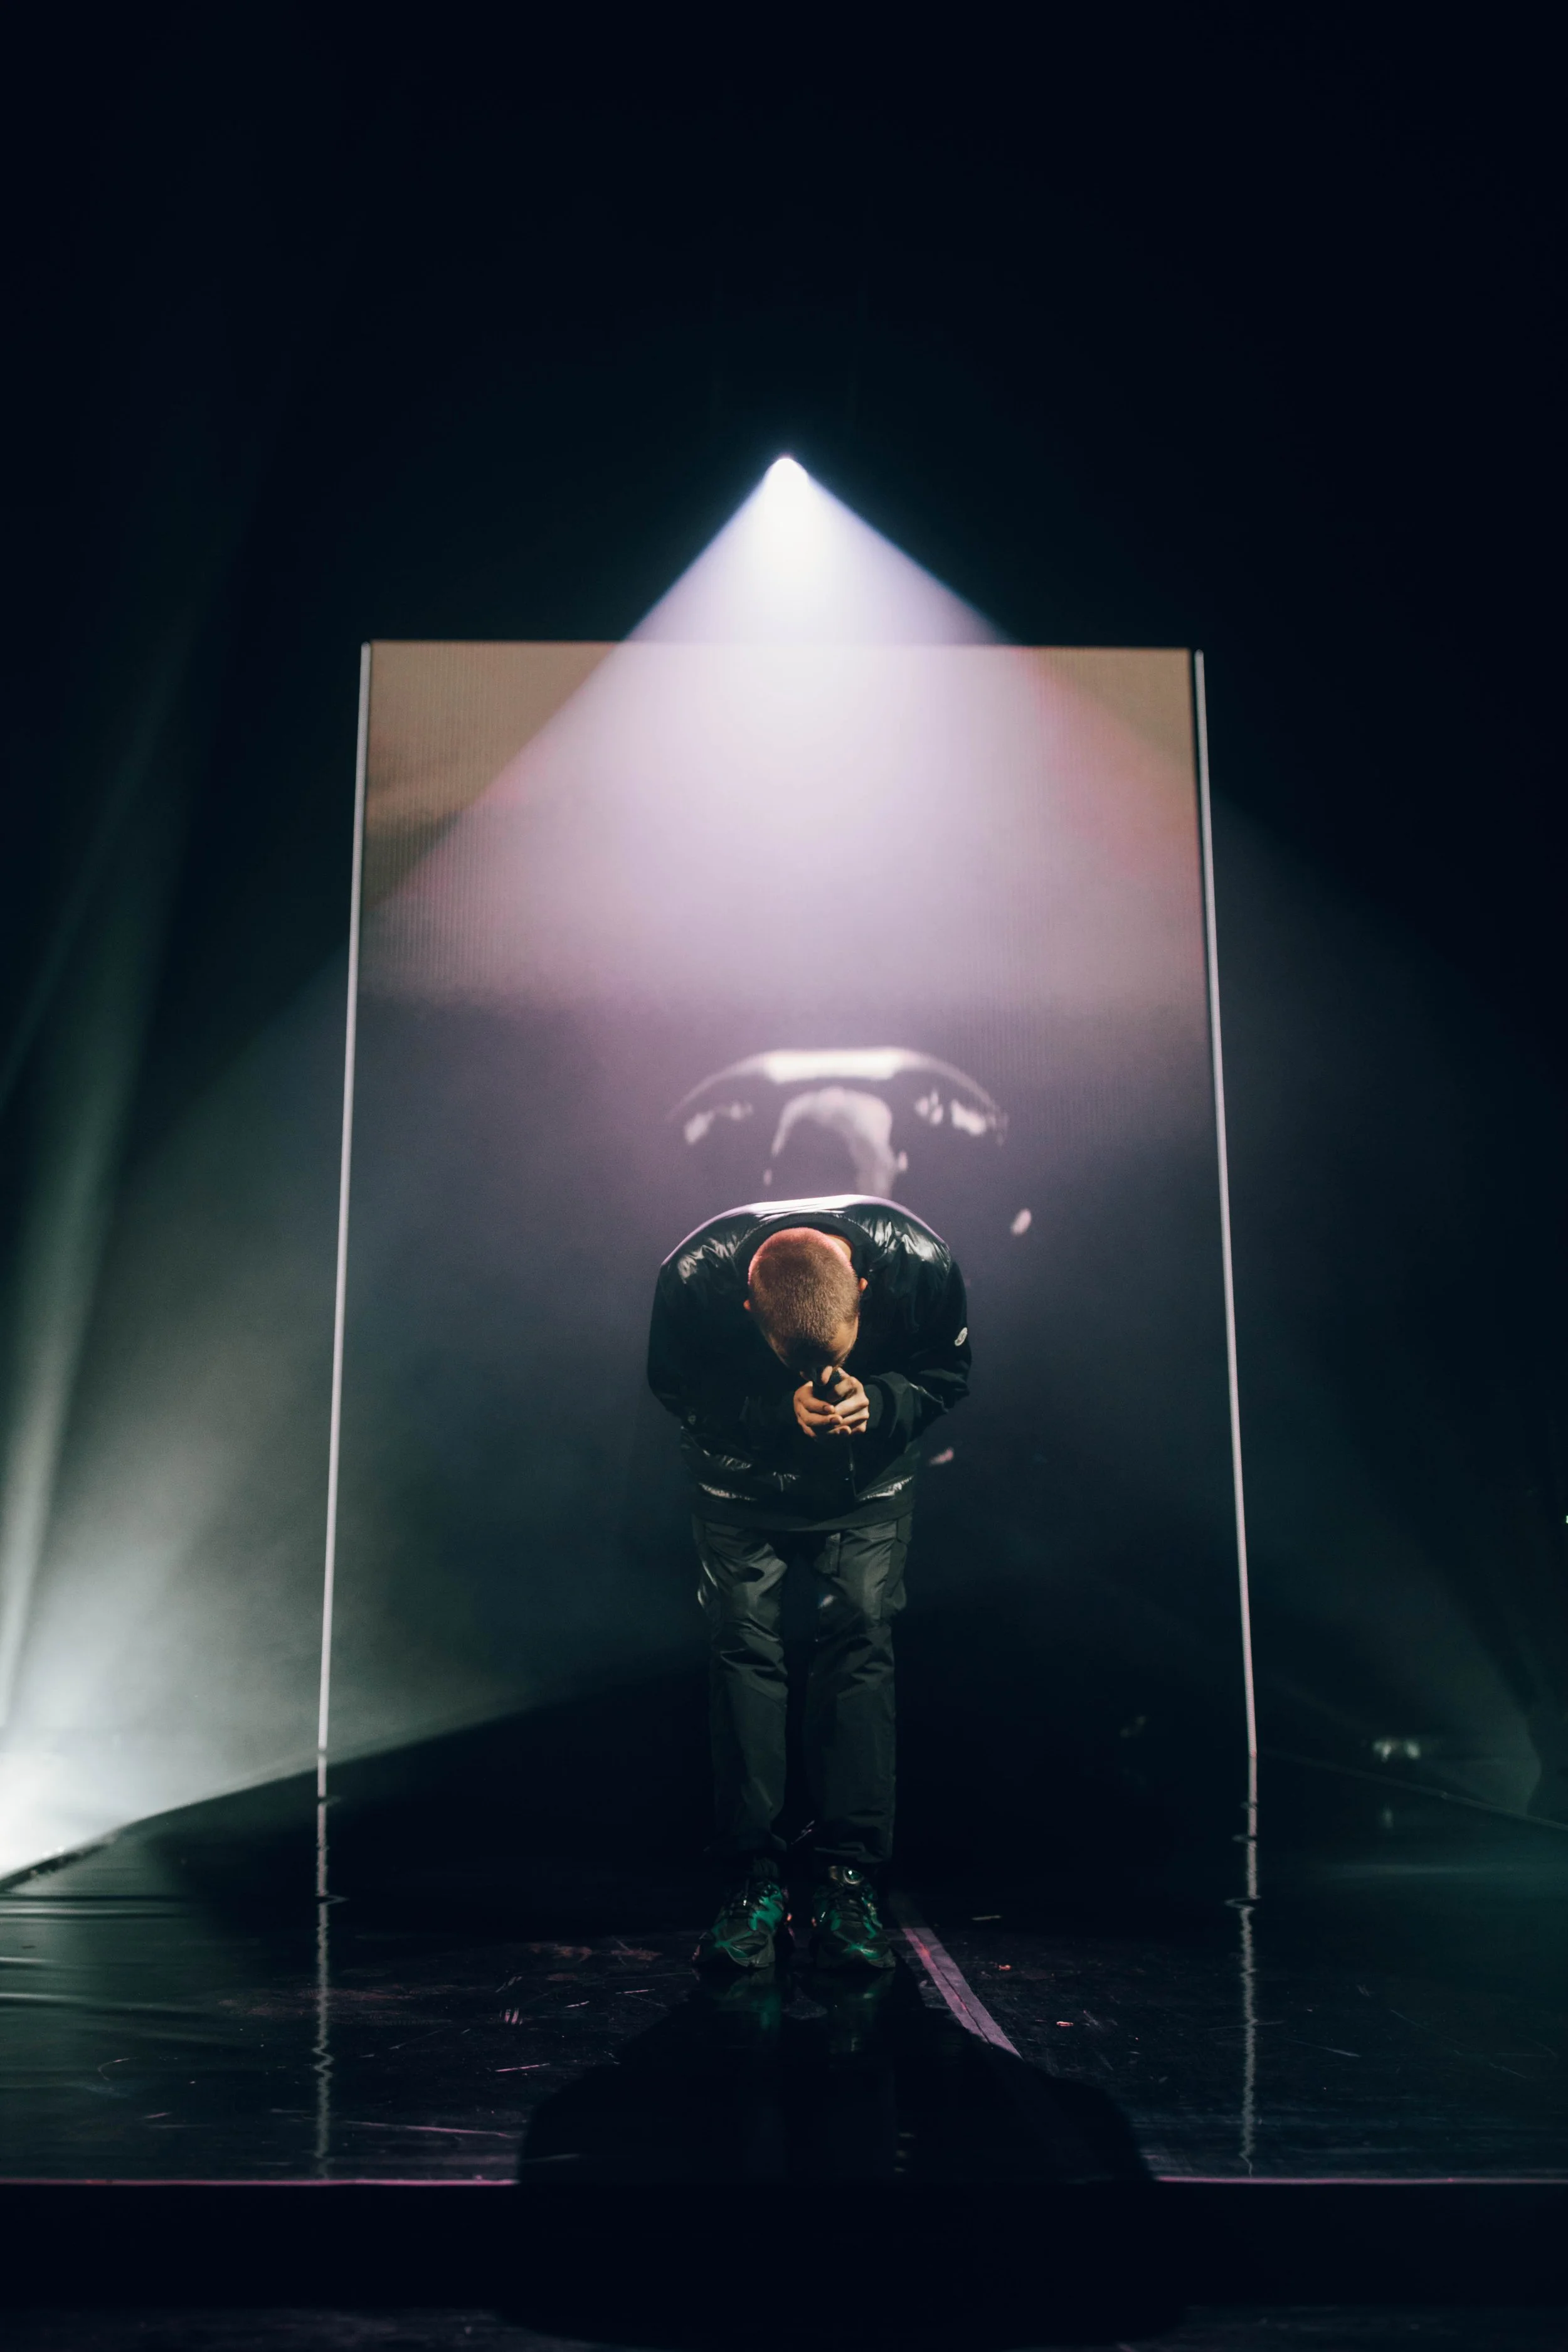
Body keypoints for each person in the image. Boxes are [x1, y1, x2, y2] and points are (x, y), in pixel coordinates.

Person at [647, 1194, 971, 1972]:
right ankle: (751, 1880)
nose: (827, 1376)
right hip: (739, 1493)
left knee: (860, 1645)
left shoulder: (922, 1266)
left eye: (840, 1355)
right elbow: (677, 1390)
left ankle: (847, 1877)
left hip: (866, 1495)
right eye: (804, 1363)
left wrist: (882, 1398)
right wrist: (771, 1411)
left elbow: (945, 1372)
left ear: (865, 1287)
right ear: (747, 1301)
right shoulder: (692, 1279)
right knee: (741, 1656)